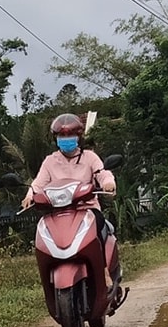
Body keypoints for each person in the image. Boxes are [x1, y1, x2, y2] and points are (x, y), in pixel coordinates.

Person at [23, 112, 124, 296]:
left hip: (87, 210)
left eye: (70, 135)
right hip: (57, 213)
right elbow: (38, 183)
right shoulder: (50, 161)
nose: (66, 139)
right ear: (56, 138)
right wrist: (29, 195)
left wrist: (109, 183)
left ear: (78, 137)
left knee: (100, 226)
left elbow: (102, 173)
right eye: (62, 136)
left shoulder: (89, 157)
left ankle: (103, 271)